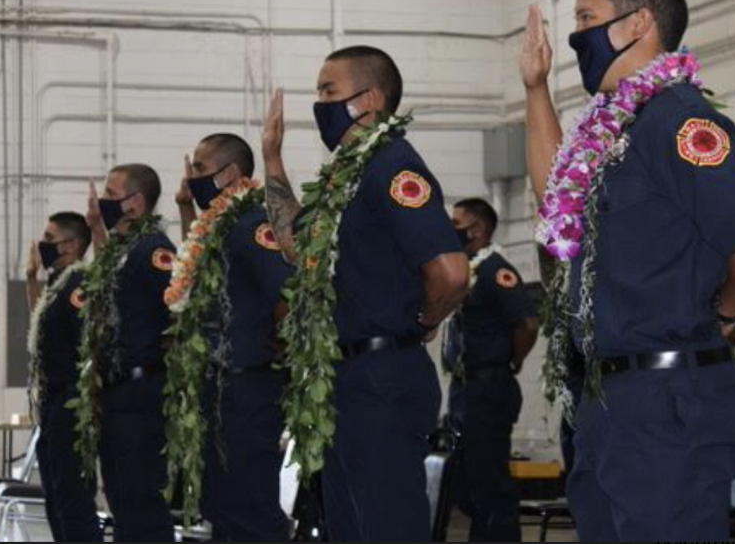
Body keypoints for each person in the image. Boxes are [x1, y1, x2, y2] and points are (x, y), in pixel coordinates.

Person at [520, 0, 735, 541]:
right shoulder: (616, 127)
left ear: (639, 22)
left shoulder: (677, 120)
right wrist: (535, 89)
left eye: (587, 19)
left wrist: (720, 312)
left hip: (667, 401)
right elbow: (555, 201)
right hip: (611, 399)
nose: (576, 37)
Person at [262, 45, 470, 541]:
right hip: (345, 379)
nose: (319, 104)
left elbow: (452, 273)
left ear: (370, 99)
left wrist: (420, 321)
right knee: (350, 527)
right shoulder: (346, 180)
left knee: (386, 526)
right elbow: (294, 244)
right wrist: (272, 156)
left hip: (381, 377)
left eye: (328, 91)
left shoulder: (392, 167)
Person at [173, 133, 294, 541]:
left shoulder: (252, 223)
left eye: (201, 170)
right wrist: (185, 208)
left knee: (250, 510)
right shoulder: (218, 227)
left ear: (229, 174)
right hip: (219, 389)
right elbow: (195, 277)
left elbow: (287, 296)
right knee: (222, 508)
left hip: (247, 389)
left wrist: (273, 355)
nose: (192, 179)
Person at [84, 164, 177, 542]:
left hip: (142, 393)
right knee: (122, 500)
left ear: (135, 202)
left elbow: (179, 307)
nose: (103, 201)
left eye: (110, 193)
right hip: (118, 392)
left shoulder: (153, 249)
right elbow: (108, 287)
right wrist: (96, 231)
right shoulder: (126, 249)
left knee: (142, 502)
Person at [443, 197, 539, 542]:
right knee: (468, 484)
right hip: (467, 390)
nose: (450, 230)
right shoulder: (466, 271)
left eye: (456, 224)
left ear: (478, 229)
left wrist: (512, 360)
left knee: (490, 485)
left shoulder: (496, 271)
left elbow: (528, 323)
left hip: (489, 387)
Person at [25, 212, 103, 542]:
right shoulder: (58, 283)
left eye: (49, 237)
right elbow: (39, 324)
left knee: (72, 498)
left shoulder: (79, 283)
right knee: (56, 496)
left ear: (70, 245)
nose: (42, 244)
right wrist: (31, 279)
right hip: (52, 403)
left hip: (71, 401)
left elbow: (89, 342)